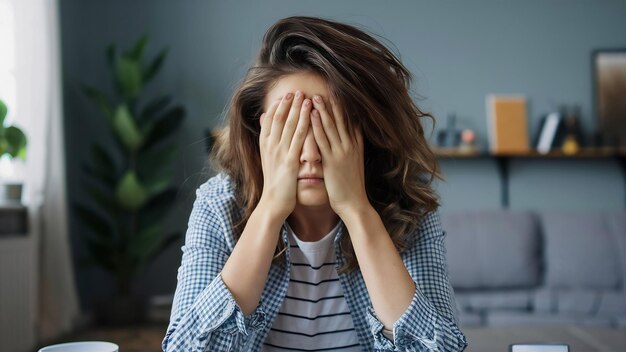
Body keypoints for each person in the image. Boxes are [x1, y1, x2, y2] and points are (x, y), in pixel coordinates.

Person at [162, 16, 468, 352]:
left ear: (365, 133)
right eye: (289, 129)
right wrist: (269, 210)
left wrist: (356, 210)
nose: (309, 154)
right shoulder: (218, 205)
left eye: (327, 128)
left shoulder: (408, 209)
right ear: (259, 132)